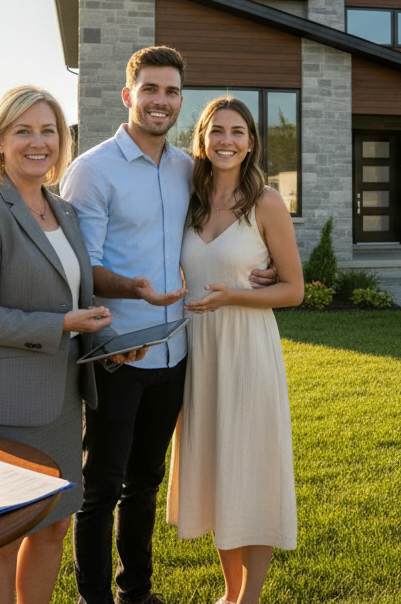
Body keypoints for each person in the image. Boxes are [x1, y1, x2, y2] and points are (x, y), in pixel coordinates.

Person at [61, 46, 274, 604]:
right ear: (129, 96)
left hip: (178, 354)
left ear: (181, 101)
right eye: (150, 90)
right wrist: (131, 291)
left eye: (172, 91)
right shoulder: (92, 170)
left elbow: (228, 227)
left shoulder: (188, 170)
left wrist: (260, 261)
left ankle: (136, 593)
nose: (161, 100)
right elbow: (80, 268)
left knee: (145, 483)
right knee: (102, 486)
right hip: (117, 352)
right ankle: (96, 600)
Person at [0, 85, 144, 604]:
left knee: (52, 527)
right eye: (24, 130)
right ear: (0, 142)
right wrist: (61, 323)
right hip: (2, 408)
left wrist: (111, 343)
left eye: (49, 130)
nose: (39, 142)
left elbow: (77, 300)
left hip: (61, 405)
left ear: (62, 140)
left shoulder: (64, 212)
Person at [168, 96, 303, 604]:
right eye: (217, 130)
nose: (227, 140)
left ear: (251, 142)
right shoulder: (190, 200)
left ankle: (250, 599)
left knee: (252, 467)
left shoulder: (265, 202)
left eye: (238, 132)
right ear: (201, 139)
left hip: (248, 352)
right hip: (198, 353)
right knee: (217, 466)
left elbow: (293, 289)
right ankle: (229, 593)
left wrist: (237, 295)